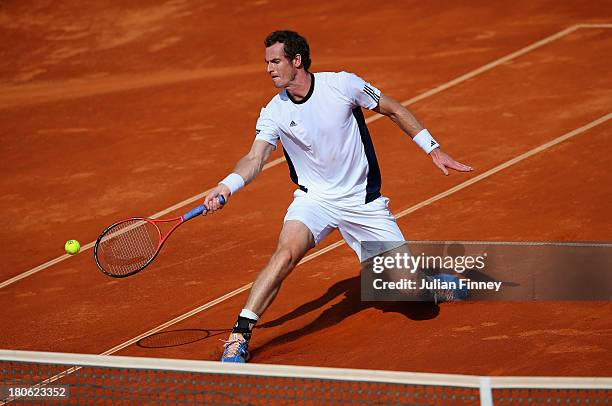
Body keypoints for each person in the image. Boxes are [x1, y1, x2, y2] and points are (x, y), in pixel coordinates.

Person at [203, 30, 472, 363]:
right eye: (267, 63)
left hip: (362, 201)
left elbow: (393, 109)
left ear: (296, 60)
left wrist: (433, 148)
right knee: (285, 254)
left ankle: (427, 284)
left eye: (276, 61)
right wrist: (227, 185)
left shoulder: (342, 85)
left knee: (410, 293)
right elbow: (254, 158)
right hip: (314, 200)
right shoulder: (274, 111)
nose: (269, 69)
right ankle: (239, 334)